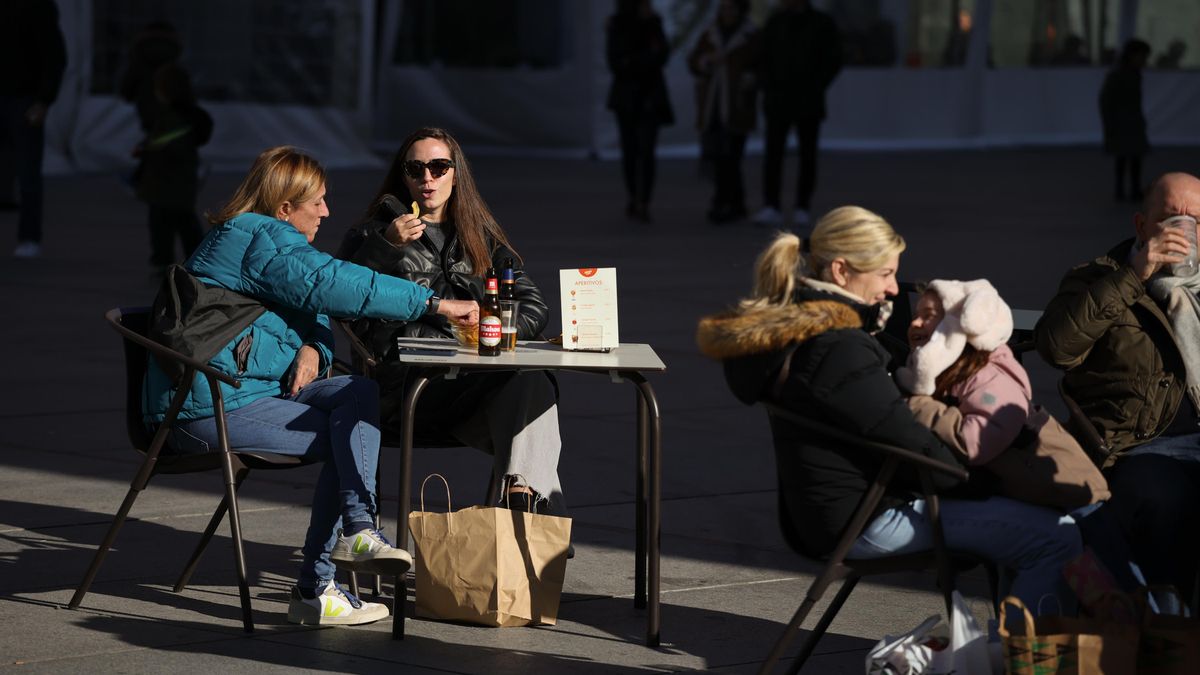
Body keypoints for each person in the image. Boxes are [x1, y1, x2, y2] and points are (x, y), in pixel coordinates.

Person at [143, 146, 479, 626]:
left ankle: (359, 531)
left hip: (251, 391)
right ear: (284, 209)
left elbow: (313, 304)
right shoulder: (258, 238)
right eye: (316, 202)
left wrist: (313, 349)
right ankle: (316, 588)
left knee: (358, 393)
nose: (326, 211)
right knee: (347, 439)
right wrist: (436, 304)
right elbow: (332, 284)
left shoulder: (266, 240)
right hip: (205, 407)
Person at [697, 207, 1081, 613]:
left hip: (829, 511)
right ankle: (1026, 658)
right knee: (1057, 536)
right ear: (842, 272)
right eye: (884, 274)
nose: (894, 289)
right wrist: (988, 486)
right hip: (864, 519)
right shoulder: (837, 347)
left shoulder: (798, 331)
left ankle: (1006, 647)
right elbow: (913, 445)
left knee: (1026, 520)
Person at [336, 127, 568, 518]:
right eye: (416, 168)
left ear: (455, 173)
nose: (427, 178)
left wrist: (490, 330)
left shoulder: (479, 235)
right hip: (407, 389)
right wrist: (385, 248)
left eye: (439, 166)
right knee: (531, 416)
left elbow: (533, 304)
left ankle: (521, 504)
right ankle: (537, 529)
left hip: (470, 388)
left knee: (534, 382)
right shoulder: (373, 232)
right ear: (403, 175)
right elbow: (341, 297)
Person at [1035, 172, 1200, 598]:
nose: (1184, 229)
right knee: (1166, 498)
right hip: (1139, 446)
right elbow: (1056, 347)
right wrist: (1133, 275)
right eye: (1170, 217)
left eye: (1195, 220)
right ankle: (1164, 629)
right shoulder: (1098, 278)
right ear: (1142, 226)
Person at [898, 279, 1108, 512]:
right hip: (1024, 495)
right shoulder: (939, 374)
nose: (915, 322)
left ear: (960, 323)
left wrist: (919, 406)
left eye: (928, 315)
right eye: (916, 315)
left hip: (1070, 500)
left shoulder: (988, 377)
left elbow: (974, 443)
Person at [751, 0, 841, 229]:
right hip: (778, 99)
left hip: (807, 99)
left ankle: (803, 205)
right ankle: (771, 204)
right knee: (773, 153)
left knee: (807, 154)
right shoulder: (776, 22)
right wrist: (768, 85)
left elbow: (833, 58)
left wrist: (816, 84)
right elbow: (761, 57)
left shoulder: (821, 23)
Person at [0, 0, 67, 258]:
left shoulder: (36, 7)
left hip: (23, 98)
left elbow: (54, 55)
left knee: (28, 172)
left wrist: (44, 99)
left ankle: (29, 237)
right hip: (17, 96)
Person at [133, 63, 212, 275]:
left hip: (164, 181)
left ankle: (165, 260)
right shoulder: (188, 116)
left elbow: (166, 146)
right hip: (180, 181)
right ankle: (195, 259)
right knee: (183, 221)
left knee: (164, 224)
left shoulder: (170, 118)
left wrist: (149, 149)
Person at [687, 0, 758, 224]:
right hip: (713, 106)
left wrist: (748, 79)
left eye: (732, 8)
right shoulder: (711, 33)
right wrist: (705, 62)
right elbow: (693, 61)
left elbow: (760, 64)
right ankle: (726, 201)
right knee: (716, 156)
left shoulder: (750, 35)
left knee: (732, 157)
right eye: (725, 8)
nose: (728, 12)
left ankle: (729, 202)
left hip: (737, 106)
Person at [606, 0, 674, 223]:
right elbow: (617, 62)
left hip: (648, 98)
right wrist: (646, 59)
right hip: (628, 98)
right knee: (630, 150)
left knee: (645, 151)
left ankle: (642, 200)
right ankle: (635, 197)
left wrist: (633, 61)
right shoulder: (618, 25)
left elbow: (661, 55)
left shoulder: (654, 24)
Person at [1099, 39, 1151, 202]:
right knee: (1124, 156)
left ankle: (1129, 189)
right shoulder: (1120, 75)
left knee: (1132, 157)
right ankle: (1123, 189)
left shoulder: (1133, 75)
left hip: (1130, 120)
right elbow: (1106, 100)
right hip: (1123, 121)